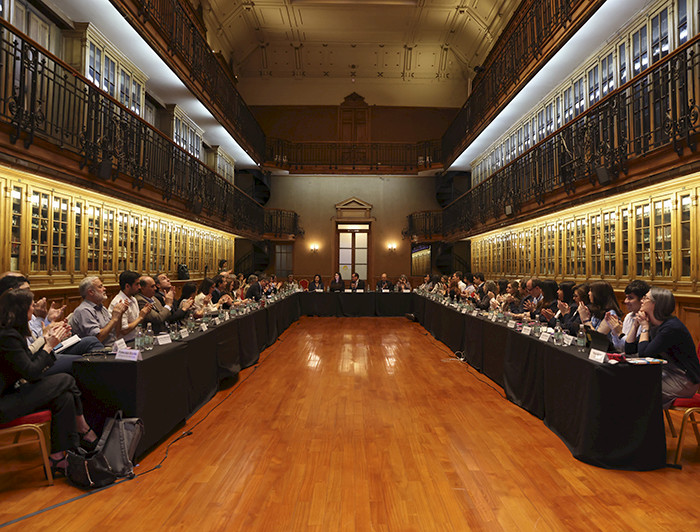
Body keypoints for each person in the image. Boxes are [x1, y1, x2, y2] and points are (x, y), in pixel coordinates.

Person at [0, 289, 99, 475]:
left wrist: (47, 341)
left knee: (64, 396)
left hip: (12, 392)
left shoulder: (10, 333)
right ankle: (84, 430)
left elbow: (26, 363)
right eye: (30, 306)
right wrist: (48, 346)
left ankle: (59, 458)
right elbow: (31, 373)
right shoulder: (7, 336)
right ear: (21, 310)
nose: (33, 310)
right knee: (66, 380)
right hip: (4, 403)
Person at [625, 287, 700, 408]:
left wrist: (644, 328)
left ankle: (645, 426)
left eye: (646, 298)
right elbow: (630, 349)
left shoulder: (671, 328)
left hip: (684, 380)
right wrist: (635, 325)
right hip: (667, 373)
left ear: (656, 304)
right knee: (629, 383)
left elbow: (645, 355)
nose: (642, 301)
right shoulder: (654, 324)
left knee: (637, 390)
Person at [70, 276, 127, 346]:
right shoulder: (84, 311)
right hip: (97, 353)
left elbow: (116, 334)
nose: (104, 289)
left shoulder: (102, 308)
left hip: (113, 347)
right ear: (91, 292)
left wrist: (119, 314)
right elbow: (97, 339)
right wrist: (114, 319)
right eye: (100, 287)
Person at [598, 280, 650, 352]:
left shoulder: (646, 320)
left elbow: (633, 349)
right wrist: (615, 331)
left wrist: (619, 333)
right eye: (626, 297)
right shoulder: (629, 316)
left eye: (630, 298)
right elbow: (619, 347)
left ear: (642, 300)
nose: (625, 301)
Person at [578, 280, 623, 350]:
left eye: (591, 291)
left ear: (599, 294)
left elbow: (598, 338)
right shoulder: (597, 310)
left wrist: (586, 320)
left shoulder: (610, 314)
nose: (589, 293)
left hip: (607, 352)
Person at [109, 270, 152, 342]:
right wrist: (141, 317)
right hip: (125, 342)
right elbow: (124, 330)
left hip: (136, 339)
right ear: (127, 286)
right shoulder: (119, 302)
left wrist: (143, 314)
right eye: (137, 284)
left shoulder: (133, 299)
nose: (139, 287)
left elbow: (137, 324)